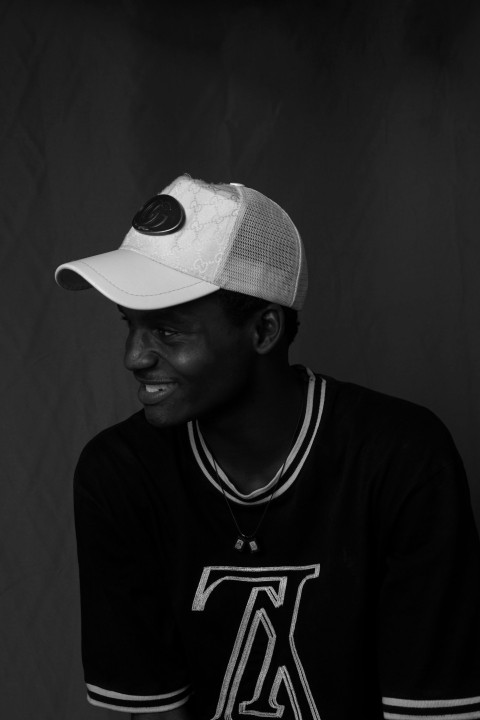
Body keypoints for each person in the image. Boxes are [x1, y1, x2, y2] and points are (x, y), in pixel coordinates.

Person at [55, 174, 480, 720]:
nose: (134, 357)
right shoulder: (120, 473)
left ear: (264, 331)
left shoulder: (401, 458)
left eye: (168, 330)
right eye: (130, 325)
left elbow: (431, 712)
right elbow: (149, 709)